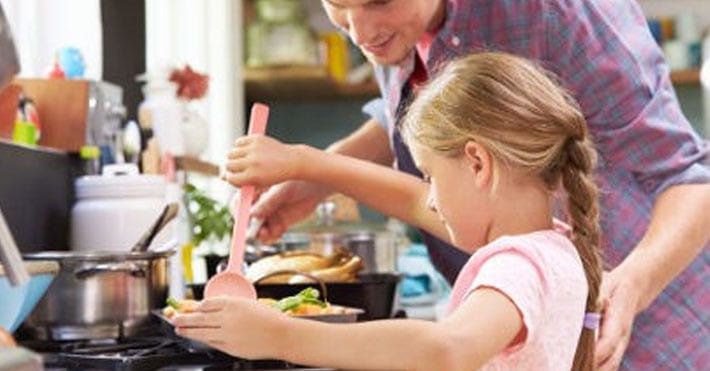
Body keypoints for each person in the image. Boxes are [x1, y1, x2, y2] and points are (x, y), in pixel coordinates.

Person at [242, 0, 710, 369]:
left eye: (381, 2)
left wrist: (633, 285)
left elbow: (690, 177)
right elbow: (414, 109)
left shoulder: (558, 2)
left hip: (647, 321)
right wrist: (321, 173)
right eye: (336, 4)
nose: (361, 33)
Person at [175, 52, 602, 370]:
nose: (430, 195)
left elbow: (448, 349)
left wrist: (278, 335)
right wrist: (304, 162)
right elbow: (412, 200)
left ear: (477, 163)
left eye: (431, 175)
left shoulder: (517, 266)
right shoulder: (552, 247)